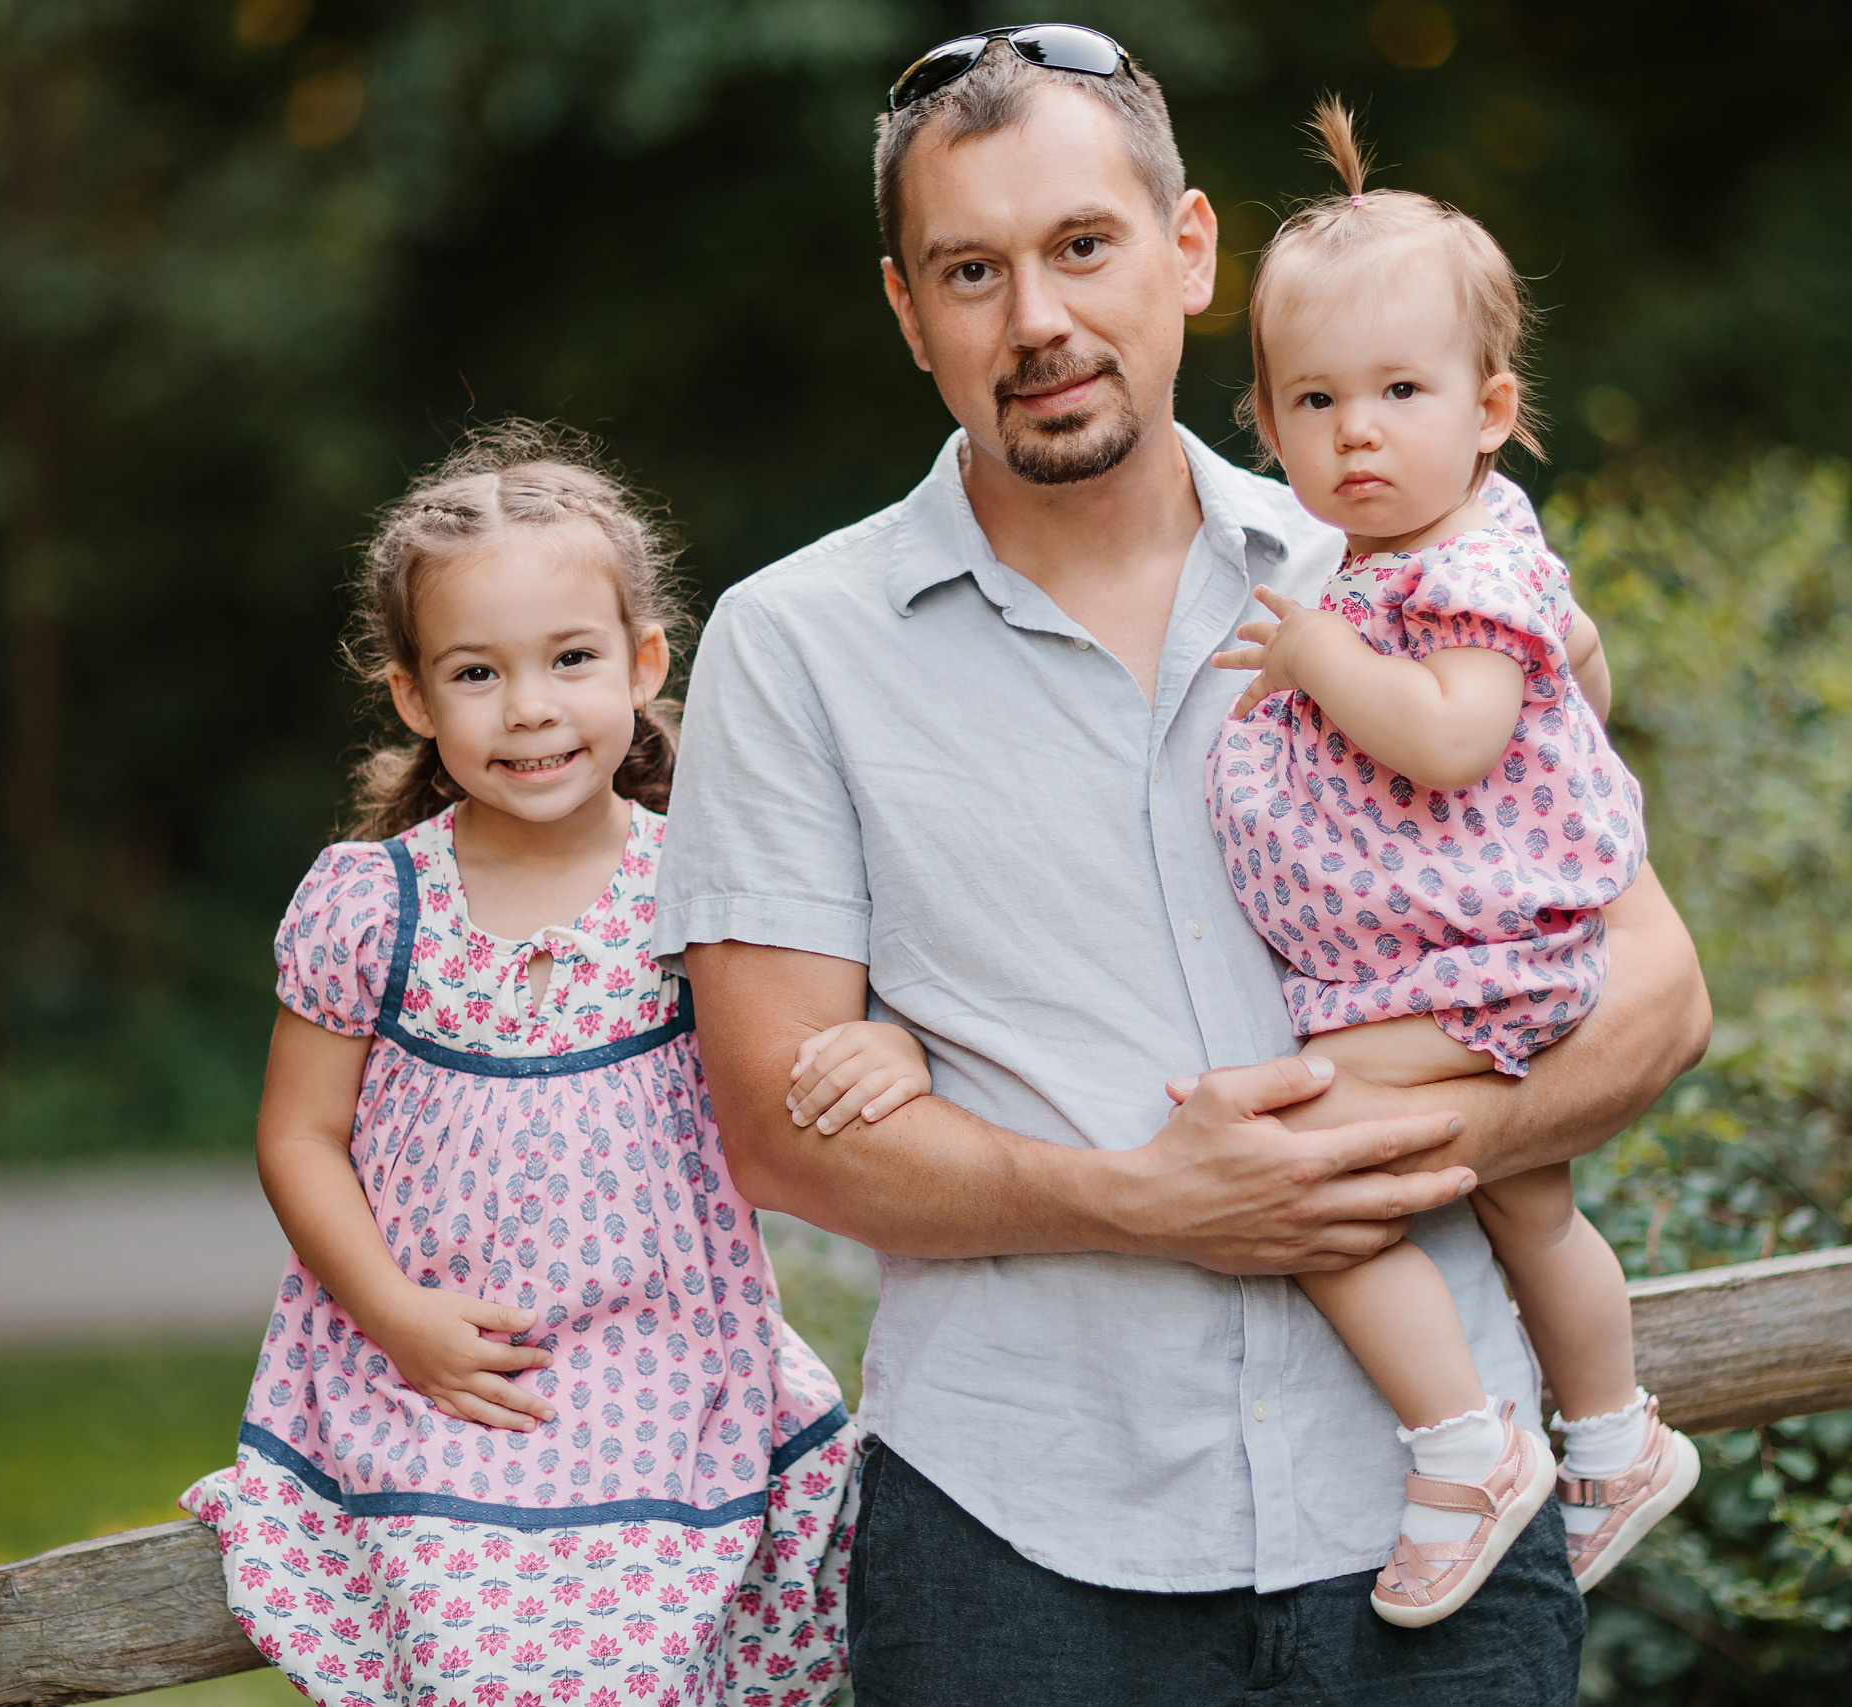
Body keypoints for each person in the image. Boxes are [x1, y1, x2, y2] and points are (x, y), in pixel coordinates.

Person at [656, 26, 1710, 1705]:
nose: (1039, 319)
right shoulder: (796, 647)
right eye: (971, 270)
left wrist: (1396, 1157)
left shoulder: (1393, 564)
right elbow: (778, 1128)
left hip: (1432, 1515)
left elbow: (1653, 988)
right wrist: (1147, 1204)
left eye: (1083, 245)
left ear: (1191, 250)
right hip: (1016, 1545)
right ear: (907, 310)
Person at [181, 424, 903, 1707]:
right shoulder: (373, 904)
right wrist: (395, 1320)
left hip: (671, 1378)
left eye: (570, 659)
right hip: (445, 1384)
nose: (528, 709)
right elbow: (298, 1138)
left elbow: (829, 1032)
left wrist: (886, 1036)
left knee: (651, 1653)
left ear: (640, 663)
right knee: (482, 1661)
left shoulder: (709, 883)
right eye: (476, 672)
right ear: (412, 695)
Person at [1197, 98, 1699, 1625]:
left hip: (1494, 958)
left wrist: (1318, 659)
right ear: (1266, 424)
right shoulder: (1400, 557)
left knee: (1311, 1171)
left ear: (1488, 407)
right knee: (1530, 1204)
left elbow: (1456, 738)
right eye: (1315, 399)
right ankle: (1616, 1441)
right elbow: (1562, 694)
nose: (1358, 433)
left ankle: (1466, 1448)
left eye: (1401, 391)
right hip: (1455, 949)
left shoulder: (1452, 568)